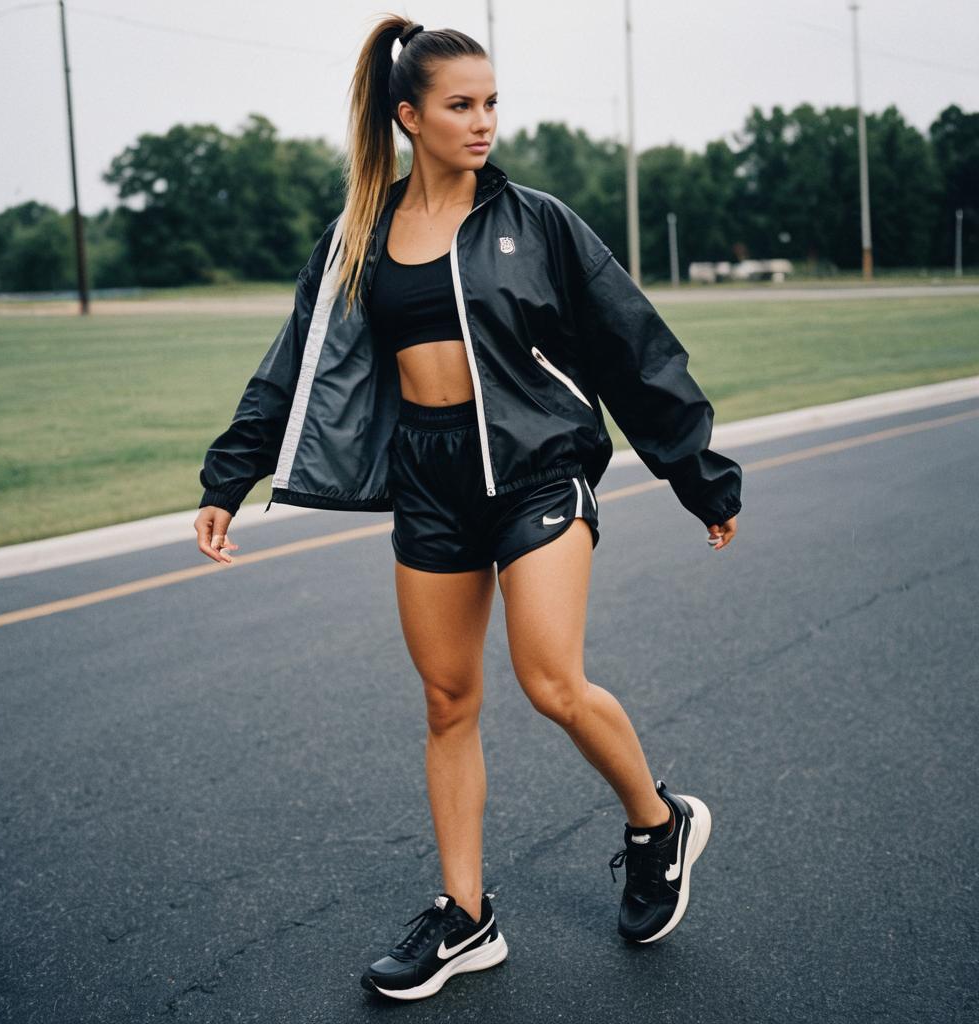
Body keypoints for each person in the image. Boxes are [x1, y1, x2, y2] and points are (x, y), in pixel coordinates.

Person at [194, 14, 742, 1003]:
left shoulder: (537, 223)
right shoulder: (360, 232)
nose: (483, 121)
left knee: (550, 680)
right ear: (409, 116)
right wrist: (229, 476)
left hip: (537, 468)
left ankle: (658, 823)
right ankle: (465, 914)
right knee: (448, 701)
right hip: (431, 481)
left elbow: (631, 341)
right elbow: (296, 360)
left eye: (490, 102)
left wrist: (695, 469)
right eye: (460, 105)